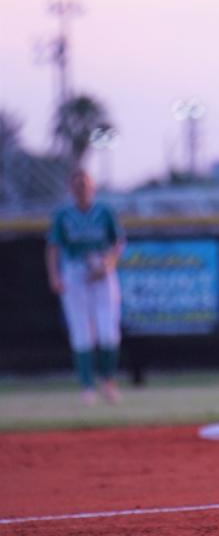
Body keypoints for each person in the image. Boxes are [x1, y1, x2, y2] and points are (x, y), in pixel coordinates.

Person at [45, 167, 125, 405]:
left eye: (85, 183)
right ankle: (87, 386)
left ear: (93, 186)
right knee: (81, 332)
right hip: (75, 272)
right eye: (77, 184)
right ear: (70, 188)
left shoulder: (105, 211)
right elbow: (52, 247)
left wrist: (108, 263)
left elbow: (118, 241)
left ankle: (108, 381)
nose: (81, 188)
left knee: (108, 330)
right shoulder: (62, 214)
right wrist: (54, 276)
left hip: (102, 271)